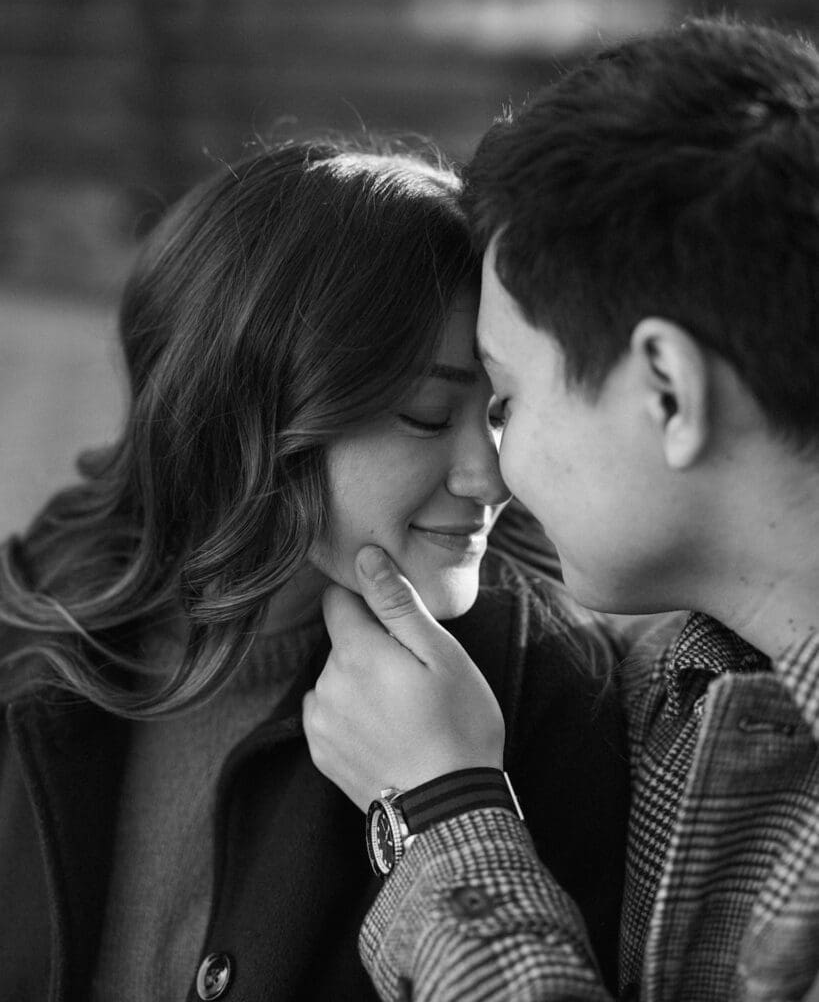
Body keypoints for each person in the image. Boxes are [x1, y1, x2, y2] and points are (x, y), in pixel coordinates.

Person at [0, 138, 630, 1001]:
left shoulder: (546, 693)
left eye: (499, 412)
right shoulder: (30, 619)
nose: (491, 477)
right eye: (423, 414)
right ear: (242, 414)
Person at [302, 19, 819, 1001]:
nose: (494, 469)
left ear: (668, 391)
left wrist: (444, 810)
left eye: (505, 398)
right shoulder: (686, 671)